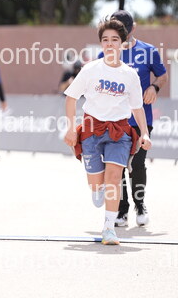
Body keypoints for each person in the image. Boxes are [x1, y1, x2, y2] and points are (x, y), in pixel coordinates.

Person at [64, 18, 151, 245]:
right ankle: (97, 187)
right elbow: (71, 98)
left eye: (114, 40)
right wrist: (71, 128)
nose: (110, 44)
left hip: (119, 132)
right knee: (97, 185)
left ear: (122, 43)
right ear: (101, 43)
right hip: (92, 129)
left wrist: (144, 133)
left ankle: (109, 228)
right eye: (105, 40)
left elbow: (137, 107)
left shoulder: (129, 75)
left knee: (114, 177)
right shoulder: (90, 69)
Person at [96, 10, 168, 227]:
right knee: (117, 165)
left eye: (124, 31)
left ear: (133, 28)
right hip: (115, 121)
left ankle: (140, 204)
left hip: (141, 120)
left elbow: (162, 75)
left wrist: (154, 87)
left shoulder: (148, 51)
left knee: (136, 164)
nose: (121, 36)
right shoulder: (105, 55)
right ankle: (121, 209)